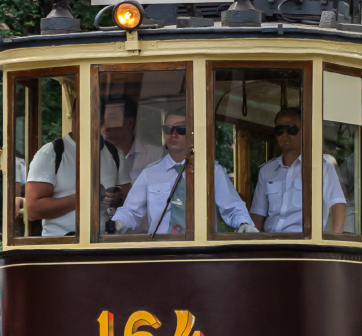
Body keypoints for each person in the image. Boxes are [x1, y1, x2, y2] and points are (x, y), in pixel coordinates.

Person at [112, 110, 257, 236]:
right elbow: (131, 211)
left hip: (200, 252)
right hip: (160, 251)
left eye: (181, 129)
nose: (173, 134)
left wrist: (244, 224)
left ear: (192, 134)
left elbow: (233, 208)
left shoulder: (211, 172)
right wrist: (118, 223)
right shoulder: (150, 173)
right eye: (168, 129)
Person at [26, 98, 131, 237]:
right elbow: (33, 210)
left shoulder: (115, 154)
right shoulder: (51, 153)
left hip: (103, 243)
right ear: (72, 117)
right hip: (60, 245)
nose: (84, 122)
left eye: (90, 116)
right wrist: (84, 197)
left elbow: (131, 200)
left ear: (101, 120)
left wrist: (117, 198)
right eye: (79, 116)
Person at [250, 108, 347, 234]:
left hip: (304, 247)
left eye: (291, 129)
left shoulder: (322, 166)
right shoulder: (266, 171)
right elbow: (257, 215)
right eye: (280, 130)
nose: (285, 134)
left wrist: (333, 249)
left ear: (304, 132)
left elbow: (338, 208)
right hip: (271, 244)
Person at [100, 94, 164, 184]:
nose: (105, 124)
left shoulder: (156, 156)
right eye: (103, 119)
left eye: (112, 118)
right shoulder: (95, 156)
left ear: (130, 122)